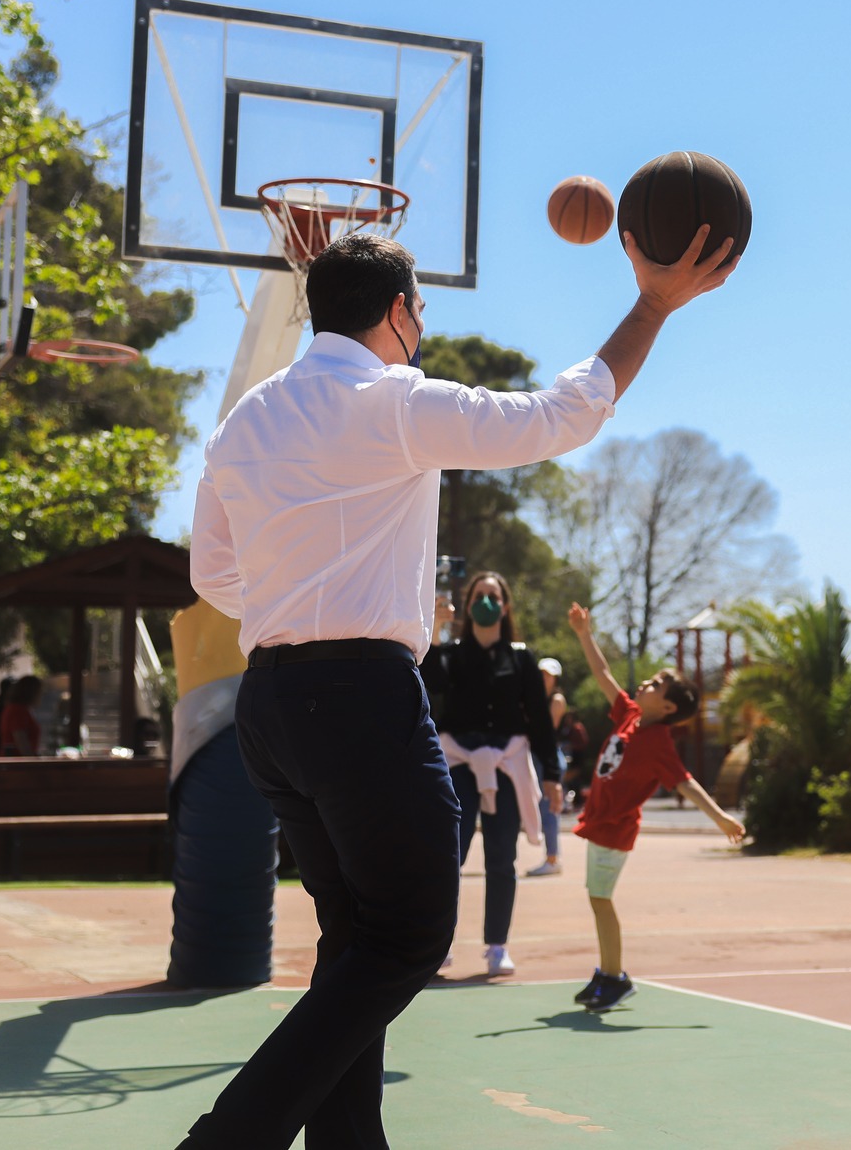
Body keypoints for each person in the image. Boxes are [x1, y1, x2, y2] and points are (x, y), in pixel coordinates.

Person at [183, 224, 735, 1149]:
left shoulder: (247, 417)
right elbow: (559, 416)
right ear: (397, 314)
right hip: (360, 696)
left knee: (355, 938)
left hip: (269, 701)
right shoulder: (395, 400)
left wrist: (296, 599)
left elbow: (214, 575)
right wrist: (652, 304)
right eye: (421, 309)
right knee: (409, 936)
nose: (424, 324)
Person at [564, 602, 743, 1011]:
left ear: (667, 708)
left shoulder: (659, 742)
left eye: (657, 683)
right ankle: (608, 972)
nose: (646, 682)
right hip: (599, 823)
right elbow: (603, 674)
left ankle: (614, 978)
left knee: (601, 900)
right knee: (597, 899)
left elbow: (687, 784)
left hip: (616, 828)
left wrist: (719, 818)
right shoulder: (628, 715)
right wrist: (583, 634)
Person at [419, 571, 560, 976]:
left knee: (502, 857)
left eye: (493, 596)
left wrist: (551, 773)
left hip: (505, 764)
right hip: (459, 763)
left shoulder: (520, 658)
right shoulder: (448, 656)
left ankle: (497, 946)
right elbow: (422, 686)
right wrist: (435, 629)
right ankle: (438, 946)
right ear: (468, 605)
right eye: (478, 595)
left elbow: (539, 720)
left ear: (505, 605)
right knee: (450, 857)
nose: (485, 602)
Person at [526, 655, 569, 877]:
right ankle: (551, 857)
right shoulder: (535, 697)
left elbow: (544, 731)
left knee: (549, 807)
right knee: (543, 808)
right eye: (541, 673)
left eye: (548, 675)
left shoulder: (556, 700)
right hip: (538, 756)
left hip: (549, 759)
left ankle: (553, 858)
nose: (544, 678)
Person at [0, 675, 43, 756]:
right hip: (17, 764)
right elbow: (21, 741)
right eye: (39, 692)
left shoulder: (18, 709)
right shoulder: (18, 711)